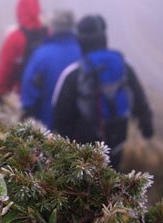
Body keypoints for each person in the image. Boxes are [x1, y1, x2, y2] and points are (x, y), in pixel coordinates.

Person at [51, 15, 153, 170]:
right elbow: (140, 100)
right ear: (104, 38)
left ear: (81, 41)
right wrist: (147, 128)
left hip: (82, 152)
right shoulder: (123, 66)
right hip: (117, 140)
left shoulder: (74, 74)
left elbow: (60, 117)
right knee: (111, 179)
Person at [20, 10, 81, 129]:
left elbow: (28, 94)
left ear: (52, 27)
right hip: (78, 131)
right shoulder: (83, 53)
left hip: (47, 127)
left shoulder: (41, 55)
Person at [0, 0, 47, 105]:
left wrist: (1, 93)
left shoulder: (15, 37)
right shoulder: (48, 33)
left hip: (23, 96)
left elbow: (6, 67)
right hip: (47, 95)